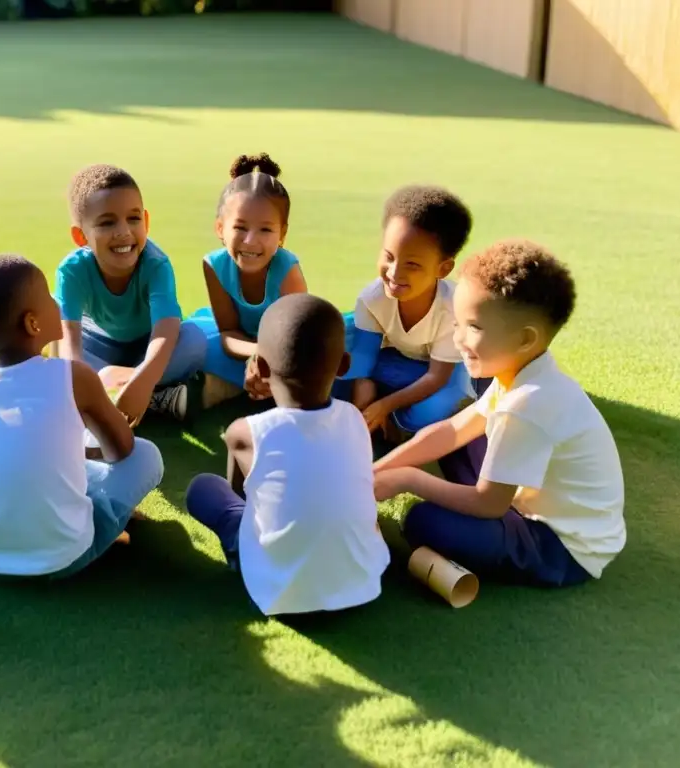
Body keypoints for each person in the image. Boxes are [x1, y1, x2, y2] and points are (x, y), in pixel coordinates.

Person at [373, 240, 626, 587]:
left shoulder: (528, 405)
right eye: (457, 323)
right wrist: (374, 471)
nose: (458, 338)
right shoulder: (521, 370)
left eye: (473, 327)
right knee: (455, 440)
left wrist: (407, 479)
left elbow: (490, 503)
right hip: (522, 502)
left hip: (559, 547)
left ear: (525, 339)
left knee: (422, 521)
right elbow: (453, 430)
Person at [0, 254, 165, 580]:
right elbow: (121, 450)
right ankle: (101, 529)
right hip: (60, 559)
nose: (56, 302)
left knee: (60, 455)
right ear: (32, 323)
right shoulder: (74, 377)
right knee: (147, 455)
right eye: (49, 295)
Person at [185, 293, 390, 616]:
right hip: (361, 587)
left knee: (204, 488)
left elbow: (242, 496)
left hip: (280, 595)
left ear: (260, 367)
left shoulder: (245, 431)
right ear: (344, 366)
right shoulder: (354, 419)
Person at [54, 163, 206, 425]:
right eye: (107, 222)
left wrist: (144, 379)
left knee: (194, 341)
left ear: (146, 221)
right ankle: (158, 399)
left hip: (147, 347)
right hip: (97, 349)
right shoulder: (72, 271)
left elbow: (166, 328)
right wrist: (76, 385)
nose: (124, 232)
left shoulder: (156, 264)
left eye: (133, 219)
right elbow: (70, 341)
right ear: (81, 236)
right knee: (59, 357)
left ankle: (120, 391)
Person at [342, 185, 476, 439]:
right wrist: (363, 393)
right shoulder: (373, 298)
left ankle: (396, 426)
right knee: (335, 360)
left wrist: (384, 405)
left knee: (432, 409)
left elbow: (436, 378)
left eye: (412, 265)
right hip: (395, 360)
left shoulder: (453, 308)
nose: (394, 273)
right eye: (389, 256)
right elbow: (364, 356)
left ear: (443, 269)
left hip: (439, 371)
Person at [189, 153, 308, 408]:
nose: (250, 241)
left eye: (265, 230)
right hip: (241, 346)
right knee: (191, 347)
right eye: (240, 227)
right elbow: (228, 332)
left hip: (286, 348)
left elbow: (296, 338)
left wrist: (267, 361)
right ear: (220, 228)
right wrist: (256, 354)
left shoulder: (288, 271)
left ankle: (248, 385)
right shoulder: (214, 265)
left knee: (318, 370)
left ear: (282, 233)